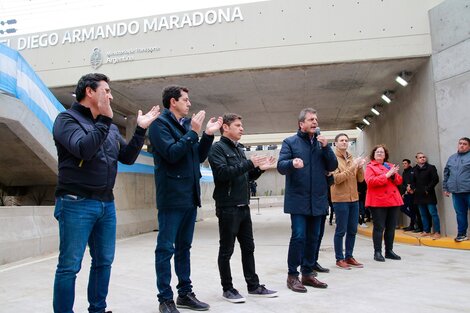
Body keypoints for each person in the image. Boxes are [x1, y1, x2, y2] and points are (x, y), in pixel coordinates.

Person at [52, 73, 160, 313]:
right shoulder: (66, 120)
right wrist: (105, 120)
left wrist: (140, 130)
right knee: (69, 266)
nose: (110, 96)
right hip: (75, 202)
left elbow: (128, 157)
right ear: (90, 92)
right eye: (107, 91)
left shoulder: (108, 127)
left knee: (103, 262)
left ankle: (98, 309)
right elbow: (83, 149)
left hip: (106, 204)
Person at [148, 85, 222, 313]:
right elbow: (171, 154)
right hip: (171, 197)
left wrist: (207, 135)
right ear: (173, 102)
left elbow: (197, 157)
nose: (189, 103)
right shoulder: (159, 125)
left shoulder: (188, 125)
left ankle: (185, 293)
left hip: (190, 196)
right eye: (186, 100)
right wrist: (193, 133)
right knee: (165, 249)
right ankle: (165, 299)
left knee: (184, 248)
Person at [208, 113, 278, 303]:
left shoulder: (239, 149)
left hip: (243, 206)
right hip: (228, 207)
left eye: (242, 125)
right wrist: (249, 163)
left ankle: (253, 286)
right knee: (227, 250)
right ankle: (228, 289)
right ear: (226, 128)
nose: (242, 128)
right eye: (238, 125)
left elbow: (245, 176)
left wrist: (259, 169)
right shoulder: (217, 149)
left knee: (248, 247)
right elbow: (222, 174)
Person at [277, 108, 337, 293]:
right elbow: (280, 166)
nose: (315, 122)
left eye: (316, 119)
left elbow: (333, 165)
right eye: (311, 119)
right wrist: (292, 163)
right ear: (301, 123)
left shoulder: (321, 144)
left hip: (318, 199)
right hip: (299, 200)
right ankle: (292, 275)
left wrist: (327, 148)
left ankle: (308, 274)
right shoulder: (290, 142)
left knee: (314, 238)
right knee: (299, 237)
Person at [330, 133, 366, 270]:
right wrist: (353, 167)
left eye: (346, 140)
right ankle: (339, 258)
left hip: (354, 198)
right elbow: (336, 179)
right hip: (340, 199)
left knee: (352, 230)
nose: (344, 142)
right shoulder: (333, 160)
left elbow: (360, 180)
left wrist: (360, 166)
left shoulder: (351, 158)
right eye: (341, 140)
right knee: (341, 230)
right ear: (336, 143)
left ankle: (349, 256)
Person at [365, 144, 403, 262]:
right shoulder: (370, 167)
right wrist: (386, 175)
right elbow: (370, 182)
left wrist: (393, 175)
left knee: (391, 227)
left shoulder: (389, 165)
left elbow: (399, 181)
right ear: (374, 154)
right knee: (379, 227)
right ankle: (377, 252)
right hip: (378, 201)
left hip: (393, 200)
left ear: (385, 155)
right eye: (377, 152)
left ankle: (389, 251)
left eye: (382, 152)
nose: (380, 154)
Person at [443, 137, 470, 242]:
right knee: (460, 214)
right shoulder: (452, 158)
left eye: (465, 144)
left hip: (468, 191)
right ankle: (462, 234)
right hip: (456, 193)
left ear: (469, 146)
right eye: (460, 143)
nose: (462, 145)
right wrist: (445, 188)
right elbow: (446, 173)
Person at [411, 152, 441, 240]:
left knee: (433, 213)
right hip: (418, 195)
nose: (422, 158)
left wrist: (427, 189)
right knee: (423, 214)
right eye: (420, 157)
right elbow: (412, 181)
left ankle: (437, 232)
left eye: (424, 157)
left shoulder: (431, 168)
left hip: (429, 194)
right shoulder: (414, 170)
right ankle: (426, 231)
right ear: (417, 159)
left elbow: (435, 179)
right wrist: (414, 188)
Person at [400, 159, 422, 232]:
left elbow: (414, 181)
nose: (404, 165)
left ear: (409, 164)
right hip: (406, 194)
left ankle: (413, 225)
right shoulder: (404, 172)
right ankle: (414, 221)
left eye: (405, 163)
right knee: (403, 208)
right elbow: (403, 183)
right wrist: (403, 193)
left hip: (412, 193)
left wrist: (411, 188)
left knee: (413, 209)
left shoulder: (412, 171)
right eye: (403, 164)